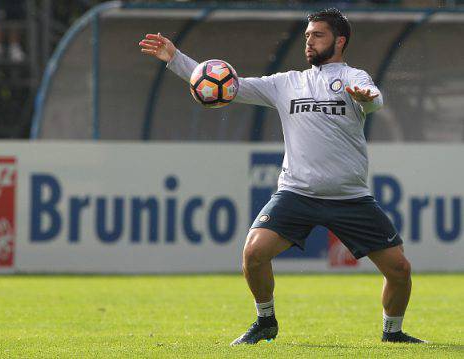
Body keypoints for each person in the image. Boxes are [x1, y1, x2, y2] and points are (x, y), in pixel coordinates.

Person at [139, 8, 425, 345]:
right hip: (297, 193)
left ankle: (392, 334)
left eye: (317, 35)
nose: (309, 41)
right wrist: (175, 58)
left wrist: (369, 98)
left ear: (339, 40)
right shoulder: (286, 83)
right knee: (253, 253)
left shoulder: (353, 77)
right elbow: (231, 86)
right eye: (307, 35)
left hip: (350, 197)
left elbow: (372, 97)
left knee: (400, 270)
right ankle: (265, 321)